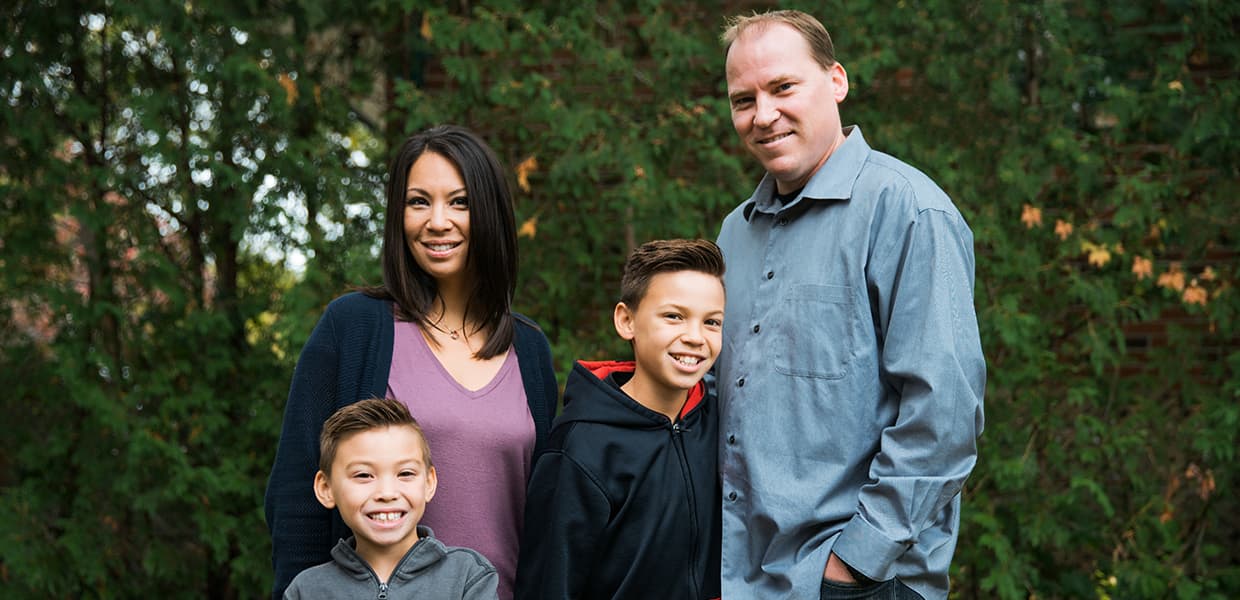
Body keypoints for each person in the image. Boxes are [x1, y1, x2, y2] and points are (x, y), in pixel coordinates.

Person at [715, 10, 987, 600]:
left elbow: (944, 415)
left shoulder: (909, 211)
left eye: (783, 87)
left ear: (835, 80)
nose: (763, 115)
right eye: (743, 100)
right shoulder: (733, 234)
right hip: (739, 579)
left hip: (855, 583)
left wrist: (856, 561)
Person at [265, 124, 558, 600]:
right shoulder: (353, 327)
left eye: (459, 202)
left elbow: (546, 510)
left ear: (489, 213)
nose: (437, 221)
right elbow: (297, 494)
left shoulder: (529, 348)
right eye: (418, 201)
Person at [515, 239, 725, 600]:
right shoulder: (580, 447)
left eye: (711, 322)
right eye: (674, 316)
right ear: (626, 320)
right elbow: (550, 584)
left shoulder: (716, 424)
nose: (694, 337)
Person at [284, 398, 498, 599]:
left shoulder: (468, 576)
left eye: (405, 474)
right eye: (363, 475)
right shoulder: (306, 590)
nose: (387, 493)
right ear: (326, 488)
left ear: (429, 483)